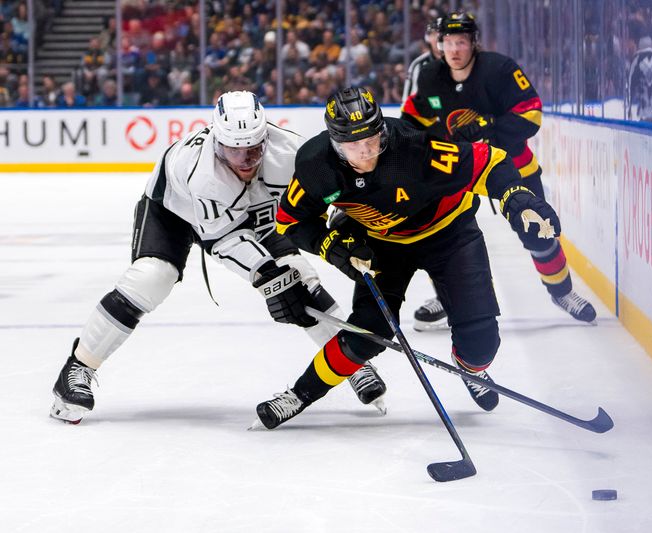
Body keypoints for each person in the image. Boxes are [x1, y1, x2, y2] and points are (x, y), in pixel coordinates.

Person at [50, 90, 387, 424]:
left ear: (266, 136)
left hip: (255, 213)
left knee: (301, 279)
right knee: (152, 278)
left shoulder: (291, 151)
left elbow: (323, 194)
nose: (244, 160)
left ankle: (349, 359)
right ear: (216, 140)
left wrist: (349, 220)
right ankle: (78, 366)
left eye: (253, 149)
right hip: (174, 212)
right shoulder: (203, 174)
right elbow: (226, 240)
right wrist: (268, 277)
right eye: (233, 150)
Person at [254, 87, 562, 429]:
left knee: (481, 343)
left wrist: (516, 198)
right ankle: (300, 394)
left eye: (373, 140)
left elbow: (489, 160)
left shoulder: (414, 147)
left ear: (382, 130)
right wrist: (335, 248)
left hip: (450, 234)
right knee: (367, 334)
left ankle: (471, 367)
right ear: (334, 143)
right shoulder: (316, 166)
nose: (366, 152)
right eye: (353, 146)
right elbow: (290, 221)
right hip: (383, 246)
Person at [401, 12, 596, 330]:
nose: (454, 50)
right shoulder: (430, 77)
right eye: (448, 42)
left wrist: (490, 129)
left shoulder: (500, 69)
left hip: (512, 167)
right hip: (461, 169)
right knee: (445, 238)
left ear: (473, 43)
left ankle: (563, 292)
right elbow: (414, 118)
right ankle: (450, 296)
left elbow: (531, 113)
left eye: (461, 42)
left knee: (539, 232)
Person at [401, 15, 442, 103]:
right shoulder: (418, 64)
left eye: (442, 33)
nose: (439, 37)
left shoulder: (459, 62)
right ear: (428, 38)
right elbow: (408, 100)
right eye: (434, 34)